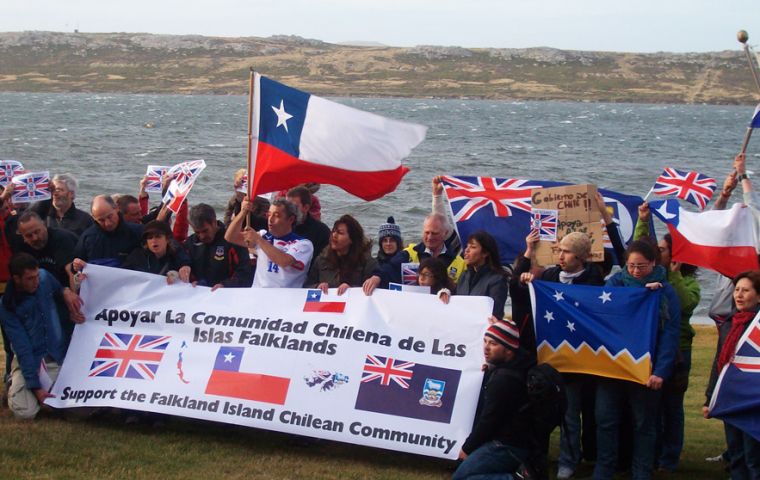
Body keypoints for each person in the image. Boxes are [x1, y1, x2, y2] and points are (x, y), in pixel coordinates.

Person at [516, 230, 605, 479]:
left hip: (576, 359)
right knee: (540, 411)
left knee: (571, 414)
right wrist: (527, 278)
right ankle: (537, 456)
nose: (561, 256)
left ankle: (569, 460)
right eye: (561, 250)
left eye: (567, 252)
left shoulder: (593, 279)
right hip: (549, 355)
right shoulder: (551, 275)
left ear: (580, 257)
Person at [593, 240, 680, 480]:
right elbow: (598, 308)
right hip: (613, 367)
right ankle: (604, 470)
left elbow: (670, 334)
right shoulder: (616, 283)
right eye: (631, 266)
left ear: (654, 263)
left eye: (641, 266)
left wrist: (660, 371)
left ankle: (642, 472)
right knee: (605, 419)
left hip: (646, 369)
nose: (635, 271)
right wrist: (638, 293)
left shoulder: (665, 292)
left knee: (644, 424)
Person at [634, 203, 701, 472]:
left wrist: (674, 276)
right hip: (651, 348)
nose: (657, 251)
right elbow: (642, 244)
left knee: (672, 408)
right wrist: (642, 220)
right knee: (651, 408)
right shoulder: (653, 276)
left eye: (662, 249)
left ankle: (669, 458)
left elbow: (684, 305)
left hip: (678, 353)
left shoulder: (689, 284)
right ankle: (652, 453)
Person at [0, 253, 84, 419]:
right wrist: (36, 387)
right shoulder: (7, 306)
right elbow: (22, 347)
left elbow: (60, 291)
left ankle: (51, 397)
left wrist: (66, 291)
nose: (36, 281)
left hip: (58, 358)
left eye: (37, 276)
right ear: (17, 279)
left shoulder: (45, 278)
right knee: (25, 413)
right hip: (33, 360)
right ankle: (20, 384)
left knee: (81, 411)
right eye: (30, 278)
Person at [453, 319, 535, 479]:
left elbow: (488, 420)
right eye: (485, 341)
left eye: (493, 344)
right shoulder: (521, 362)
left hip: (508, 445)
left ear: (509, 351)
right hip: (521, 441)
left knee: (460, 478)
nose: (486, 347)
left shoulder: (503, 380)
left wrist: (467, 449)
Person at [704, 270, 760, 480]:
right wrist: (710, 398)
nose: (739, 295)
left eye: (746, 290)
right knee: (736, 454)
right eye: (737, 290)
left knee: (753, 456)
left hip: (753, 402)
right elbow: (720, 363)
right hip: (731, 398)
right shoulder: (730, 323)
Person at [363, 213, 465, 294]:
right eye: (427, 232)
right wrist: (376, 277)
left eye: (434, 233)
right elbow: (390, 267)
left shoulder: (459, 262)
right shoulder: (410, 253)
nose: (429, 237)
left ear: (445, 233)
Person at [226, 197, 313, 288]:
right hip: (258, 296)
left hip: (285, 298)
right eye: (269, 215)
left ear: (291, 219)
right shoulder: (263, 235)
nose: (270, 220)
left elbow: (284, 261)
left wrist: (258, 240)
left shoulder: (304, 244)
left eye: (276, 215)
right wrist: (243, 212)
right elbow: (230, 237)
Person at [184, 203, 252, 290]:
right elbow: (183, 263)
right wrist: (189, 279)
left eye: (205, 231)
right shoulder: (190, 243)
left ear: (214, 222)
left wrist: (225, 285)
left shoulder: (233, 241)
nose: (202, 236)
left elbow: (244, 273)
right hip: (198, 295)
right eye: (197, 232)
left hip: (225, 295)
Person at [306, 214, 377, 294]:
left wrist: (352, 290)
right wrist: (317, 286)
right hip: (326, 304)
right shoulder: (321, 259)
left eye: (340, 233)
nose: (334, 235)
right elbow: (306, 286)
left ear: (352, 239)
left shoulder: (366, 262)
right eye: (333, 231)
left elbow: (372, 291)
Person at [71, 195, 143, 272]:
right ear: (94, 218)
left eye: (110, 217)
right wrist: (76, 266)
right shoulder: (88, 238)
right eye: (101, 220)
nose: (107, 223)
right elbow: (75, 267)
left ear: (116, 208)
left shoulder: (138, 232)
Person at [14, 211, 78, 286]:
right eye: (29, 236)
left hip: (66, 283)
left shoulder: (61, 239)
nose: (35, 238)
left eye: (37, 232)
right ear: (23, 237)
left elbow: (72, 272)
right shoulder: (21, 248)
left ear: (44, 225)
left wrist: (74, 296)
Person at [456, 231, 509, 320]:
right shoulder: (464, 275)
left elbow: (495, 313)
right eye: (467, 246)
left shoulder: (497, 279)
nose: (466, 250)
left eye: (473, 247)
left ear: (485, 253)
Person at [122, 220, 192, 282]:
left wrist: (178, 276)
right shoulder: (136, 257)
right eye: (150, 238)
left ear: (167, 239)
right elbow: (123, 275)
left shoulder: (177, 258)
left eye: (158, 236)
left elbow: (191, 280)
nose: (154, 241)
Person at [33, 173, 93, 237]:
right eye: (53, 190)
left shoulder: (84, 219)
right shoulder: (43, 215)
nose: (55, 193)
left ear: (71, 194)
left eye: (59, 190)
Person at [286, 186, 330, 261]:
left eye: (294, 207)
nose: (289, 211)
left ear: (306, 208)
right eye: (287, 207)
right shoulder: (280, 226)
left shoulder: (322, 232)